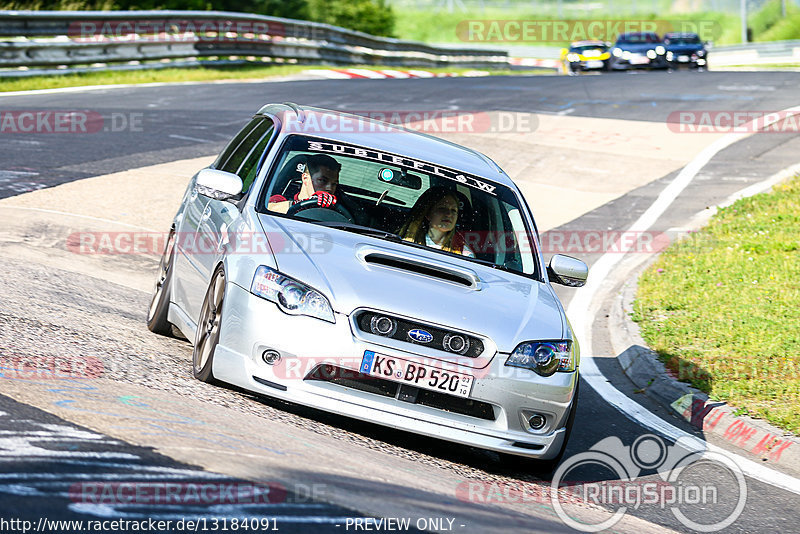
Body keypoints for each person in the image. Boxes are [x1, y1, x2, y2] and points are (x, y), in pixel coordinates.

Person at [397, 186, 475, 257]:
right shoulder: (402, 243)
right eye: (442, 208)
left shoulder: (464, 255)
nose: (449, 214)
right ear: (428, 213)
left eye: (453, 210)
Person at [268, 154, 341, 214]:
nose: (330, 188)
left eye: (334, 184)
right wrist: (303, 203)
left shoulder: (338, 209)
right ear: (305, 178)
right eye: (322, 180)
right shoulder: (280, 200)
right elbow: (268, 208)